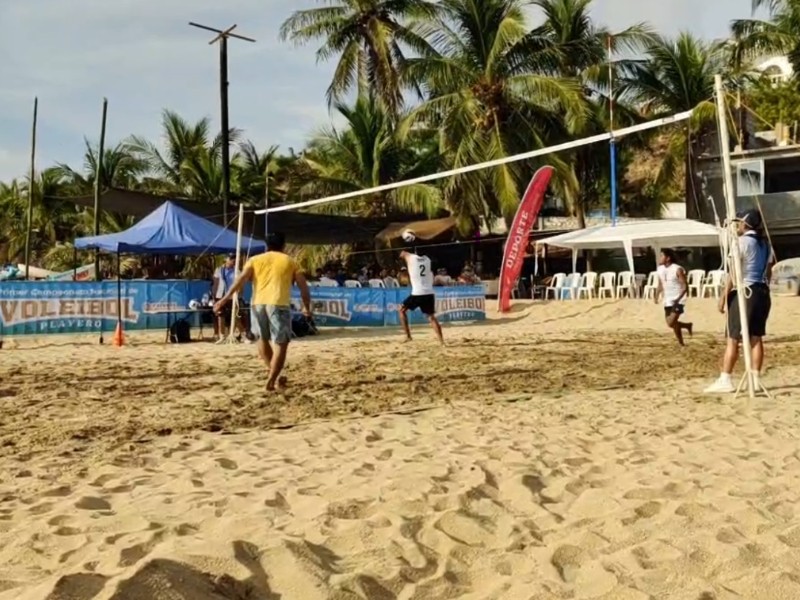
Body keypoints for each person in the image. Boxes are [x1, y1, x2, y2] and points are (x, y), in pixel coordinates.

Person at [214, 232, 312, 392]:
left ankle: (275, 375)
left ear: (267, 246)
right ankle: (272, 379)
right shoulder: (290, 261)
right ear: (283, 245)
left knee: (261, 340)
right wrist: (307, 308)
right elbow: (303, 288)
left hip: (257, 304)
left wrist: (224, 299)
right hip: (279, 304)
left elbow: (240, 280)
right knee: (281, 343)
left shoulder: (254, 260)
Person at [705, 209, 775, 394]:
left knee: (733, 337)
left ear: (745, 224)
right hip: (762, 292)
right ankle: (754, 378)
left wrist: (723, 297)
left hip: (746, 292)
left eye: (739, 223)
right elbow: (768, 272)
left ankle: (725, 378)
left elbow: (734, 274)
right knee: (756, 337)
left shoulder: (740, 243)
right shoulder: (766, 245)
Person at [398, 250, 443, 344]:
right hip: (429, 293)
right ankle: (441, 342)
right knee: (431, 318)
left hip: (417, 293)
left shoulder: (411, 258)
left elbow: (402, 253)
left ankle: (408, 336)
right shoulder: (427, 260)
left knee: (401, 310)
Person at [655, 248, 693, 345]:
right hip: (667, 299)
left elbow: (685, 286)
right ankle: (682, 341)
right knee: (670, 323)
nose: (660, 258)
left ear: (668, 258)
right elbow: (660, 284)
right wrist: (656, 295)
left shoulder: (677, 269)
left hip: (678, 299)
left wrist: (678, 299)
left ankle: (686, 328)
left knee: (671, 322)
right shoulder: (660, 269)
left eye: (662, 256)